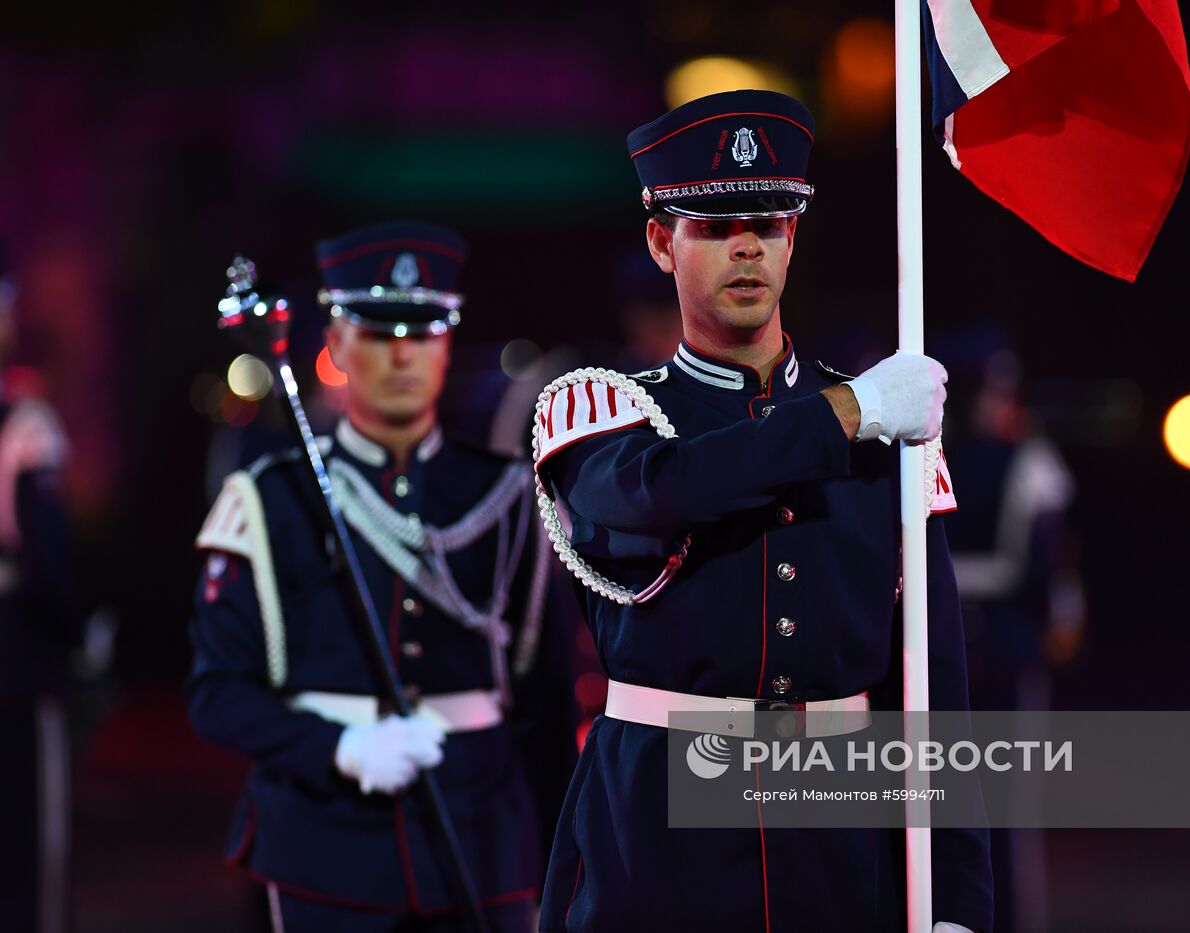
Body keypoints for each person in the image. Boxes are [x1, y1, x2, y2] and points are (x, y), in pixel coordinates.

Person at [533, 90, 992, 933]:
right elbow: (659, 493)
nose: (746, 246)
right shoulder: (604, 410)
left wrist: (958, 902)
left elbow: (933, 689)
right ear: (660, 242)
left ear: (793, 236)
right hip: (657, 850)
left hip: (841, 852)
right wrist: (847, 415)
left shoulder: (883, 425)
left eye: (770, 222)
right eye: (712, 227)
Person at [187, 221, 578, 932]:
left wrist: (557, 855)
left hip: (483, 841)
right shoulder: (271, 496)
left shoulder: (508, 494)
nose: (403, 352)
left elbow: (542, 701)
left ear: (448, 342)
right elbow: (217, 692)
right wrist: (337, 746)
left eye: (424, 330)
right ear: (335, 345)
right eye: (376, 330)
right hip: (325, 846)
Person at [937, 328, 1084, 933]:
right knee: (1006, 807)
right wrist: (1064, 617)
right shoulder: (1028, 460)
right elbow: (1052, 556)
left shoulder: (918, 457)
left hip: (934, 635)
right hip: (1003, 637)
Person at [0, 236, 78, 933]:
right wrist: (80, 640)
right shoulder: (18, 428)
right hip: (4, 672)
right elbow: (46, 560)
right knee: (21, 875)